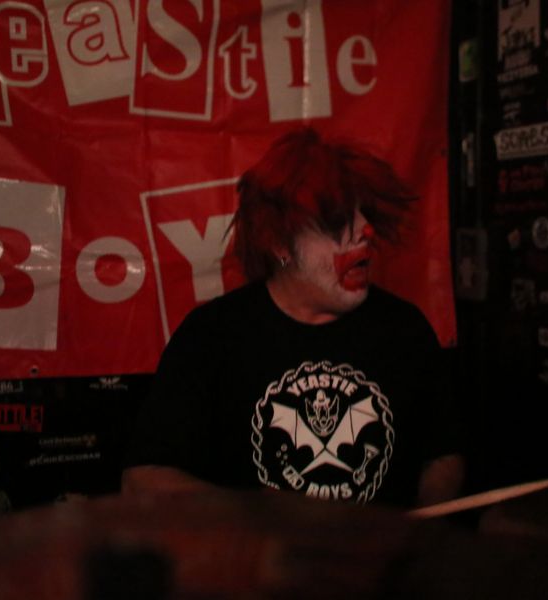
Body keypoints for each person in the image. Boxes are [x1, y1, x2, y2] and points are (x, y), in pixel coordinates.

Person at [123, 128, 465, 508]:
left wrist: (417, 522)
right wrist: (262, 520)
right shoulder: (212, 337)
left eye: (363, 216)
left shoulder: (404, 329)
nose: (364, 233)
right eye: (336, 223)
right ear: (280, 244)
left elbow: (443, 457)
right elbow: (143, 481)